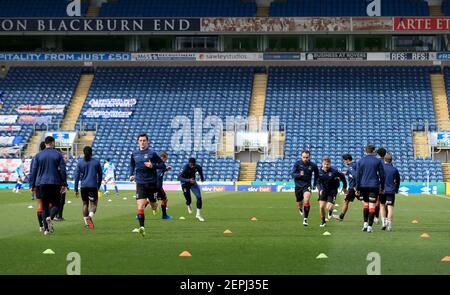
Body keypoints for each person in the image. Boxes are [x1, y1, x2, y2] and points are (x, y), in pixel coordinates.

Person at [30, 136, 68, 235]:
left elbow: (33, 171)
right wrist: (64, 183)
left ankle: (46, 230)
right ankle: (50, 218)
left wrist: (32, 185)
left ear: (45, 143)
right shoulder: (58, 155)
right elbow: (63, 170)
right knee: (56, 204)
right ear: (52, 143)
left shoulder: (38, 155)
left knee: (44, 206)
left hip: (42, 183)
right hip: (55, 182)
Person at [129, 133, 165, 237]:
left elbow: (162, 165)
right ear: (138, 141)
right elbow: (132, 164)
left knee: (153, 205)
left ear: (147, 141)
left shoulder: (152, 153)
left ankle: (154, 206)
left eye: (144, 140)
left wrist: (152, 165)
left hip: (151, 183)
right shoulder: (134, 153)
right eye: (140, 140)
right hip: (140, 183)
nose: (142, 142)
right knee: (140, 205)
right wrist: (131, 174)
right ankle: (142, 227)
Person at [355, 144, 385, 233]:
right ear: (373, 151)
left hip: (363, 185)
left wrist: (357, 188)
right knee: (372, 206)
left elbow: (357, 175)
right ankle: (369, 227)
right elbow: (382, 175)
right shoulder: (377, 161)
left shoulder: (360, 161)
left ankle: (365, 223)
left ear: (365, 151)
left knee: (366, 205)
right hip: (374, 185)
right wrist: (382, 187)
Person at [74, 146, 102, 229]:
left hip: (83, 186)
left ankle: (86, 223)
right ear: (91, 153)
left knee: (85, 204)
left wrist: (76, 189)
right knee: (94, 204)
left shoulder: (80, 163)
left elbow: (76, 176)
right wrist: (98, 185)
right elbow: (100, 175)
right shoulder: (96, 162)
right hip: (93, 186)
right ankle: (90, 217)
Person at [290, 150, 319, 226]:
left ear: (309, 157)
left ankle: (305, 219)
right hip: (298, 186)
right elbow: (292, 174)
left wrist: (315, 184)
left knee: (306, 199)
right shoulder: (297, 164)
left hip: (307, 185)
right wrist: (299, 174)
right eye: (304, 157)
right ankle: (300, 208)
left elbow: (317, 175)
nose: (305, 159)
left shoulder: (313, 165)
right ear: (301, 157)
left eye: (307, 157)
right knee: (299, 202)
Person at [317, 156, 347, 227]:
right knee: (321, 207)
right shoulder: (319, 172)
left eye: (327, 164)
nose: (325, 166)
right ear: (322, 164)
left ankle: (330, 211)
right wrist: (320, 189)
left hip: (332, 191)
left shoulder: (335, 171)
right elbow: (318, 182)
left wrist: (344, 187)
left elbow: (343, 178)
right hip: (323, 190)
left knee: (329, 207)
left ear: (330, 164)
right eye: (324, 164)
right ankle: (323, 221)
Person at [334, 154, 360, 221]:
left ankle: (341, 217)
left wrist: (355, 187)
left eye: (344, 160)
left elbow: (355, 175)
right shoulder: (355, 164)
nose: (343, 162)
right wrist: (342, 173)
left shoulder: (350, 166)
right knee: (364, 201)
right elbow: (350, 173)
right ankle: (373, 216)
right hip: (358, 186)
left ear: (347, 160)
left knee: (346, 201)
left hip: (353, 188)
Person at [178, 158, 205, 222]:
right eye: (191, 165)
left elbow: (200, 172)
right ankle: (188, 204)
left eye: (194, 164)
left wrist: (202, 178)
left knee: (199, 197)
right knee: (189, 200)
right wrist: (188, 180)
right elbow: (179, 177)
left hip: (193, 183)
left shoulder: (197, 167)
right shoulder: (185, 168)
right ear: (189, 163)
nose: (192, 166)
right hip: (185, 184)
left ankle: (198, 214)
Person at [380, 153, 400, 231]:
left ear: (384, 160)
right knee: (390, 207)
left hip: (382, 190)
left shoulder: (381, 168)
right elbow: (398, 180)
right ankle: (389, 225)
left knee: (382, 206)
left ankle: (383, 222)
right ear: (391, 160)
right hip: (391, 190)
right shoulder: (394, 169)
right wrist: (397, 189)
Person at [30, 141, 46, 231]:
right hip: (48, 183)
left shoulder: (35, 157)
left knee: (39, 204)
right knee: (48, 204)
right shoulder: (49, 156)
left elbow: (32, 172)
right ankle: (46, 222)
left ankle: (41, 226)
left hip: (38, 183)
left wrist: (31, 185)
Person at [155, 151, 173, 220]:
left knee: (163, 199)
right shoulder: (160, 165)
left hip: (157, 186)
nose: (166, 160)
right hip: (157, 187)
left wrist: (166, 169)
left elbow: (160, 171)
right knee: (163, 199)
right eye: (166, 158)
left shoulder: (158, 165)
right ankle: (164, 215)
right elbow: (158, 174)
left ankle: (139, 215)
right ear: (162, 157)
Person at [374, 147, 387, 224]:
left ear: (378, 154)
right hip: (386, 184)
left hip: (376, 183)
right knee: (385, 203)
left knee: (377, 201)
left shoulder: (376, 161)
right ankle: (385, 218)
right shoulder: (388, 161)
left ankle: (376, 217)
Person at [55, 153, 68, 221]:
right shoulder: (61, 166)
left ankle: (58, 215)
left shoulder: (60, 165)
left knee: (60, 201)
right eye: (65, 158)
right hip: (60, 185)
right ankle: (58, 216)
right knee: (61, 201)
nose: (66, 159)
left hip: (59, 185)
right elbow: (62, 176)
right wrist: (64, 184)